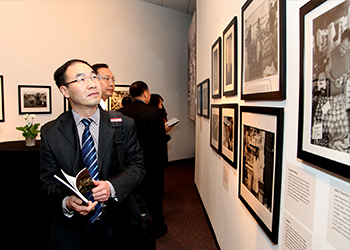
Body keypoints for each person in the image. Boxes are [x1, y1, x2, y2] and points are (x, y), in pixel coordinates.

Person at [40, 59, 146, 250]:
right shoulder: (51, 132)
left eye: (93, 77)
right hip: (74, 228)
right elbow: (48, 182)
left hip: (119, 220)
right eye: (81, 80)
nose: (92, 83)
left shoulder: (123, 124)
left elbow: (137, 166)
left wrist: (111, 187)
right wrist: (67, 201)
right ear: (65, 91)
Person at [119, 81, 168, 238]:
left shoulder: (120, 112)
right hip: (152, 163)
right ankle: (157, 228)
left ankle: (134, 227)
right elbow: (158, 142)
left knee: (133, 196)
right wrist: (165, 133)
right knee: (154, 197)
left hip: (128, 165)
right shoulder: (154, 112)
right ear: (146, 93)